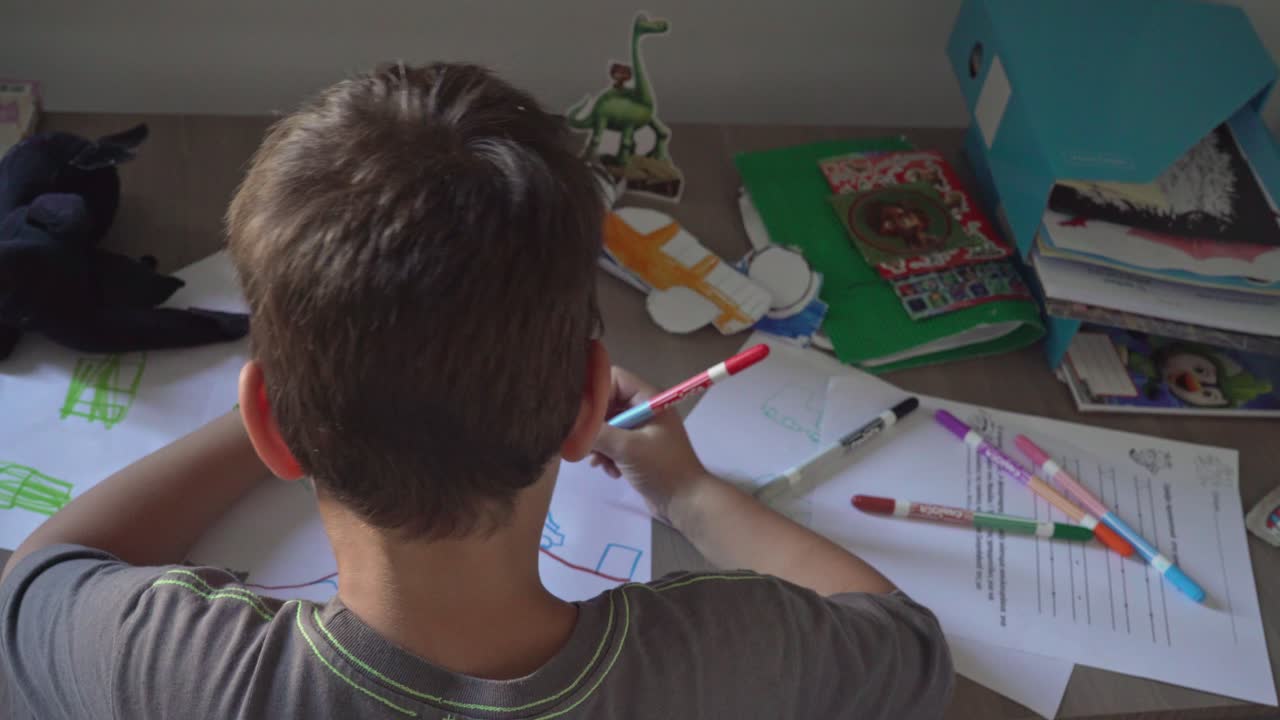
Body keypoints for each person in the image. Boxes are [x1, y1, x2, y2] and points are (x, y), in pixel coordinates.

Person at [0, 63, 952, 719]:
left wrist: (293, 401)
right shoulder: (720, 655)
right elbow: (908, 649)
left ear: (269, 429)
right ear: (589, 404)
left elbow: (36, 581)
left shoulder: (181, 671)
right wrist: (694, 495)